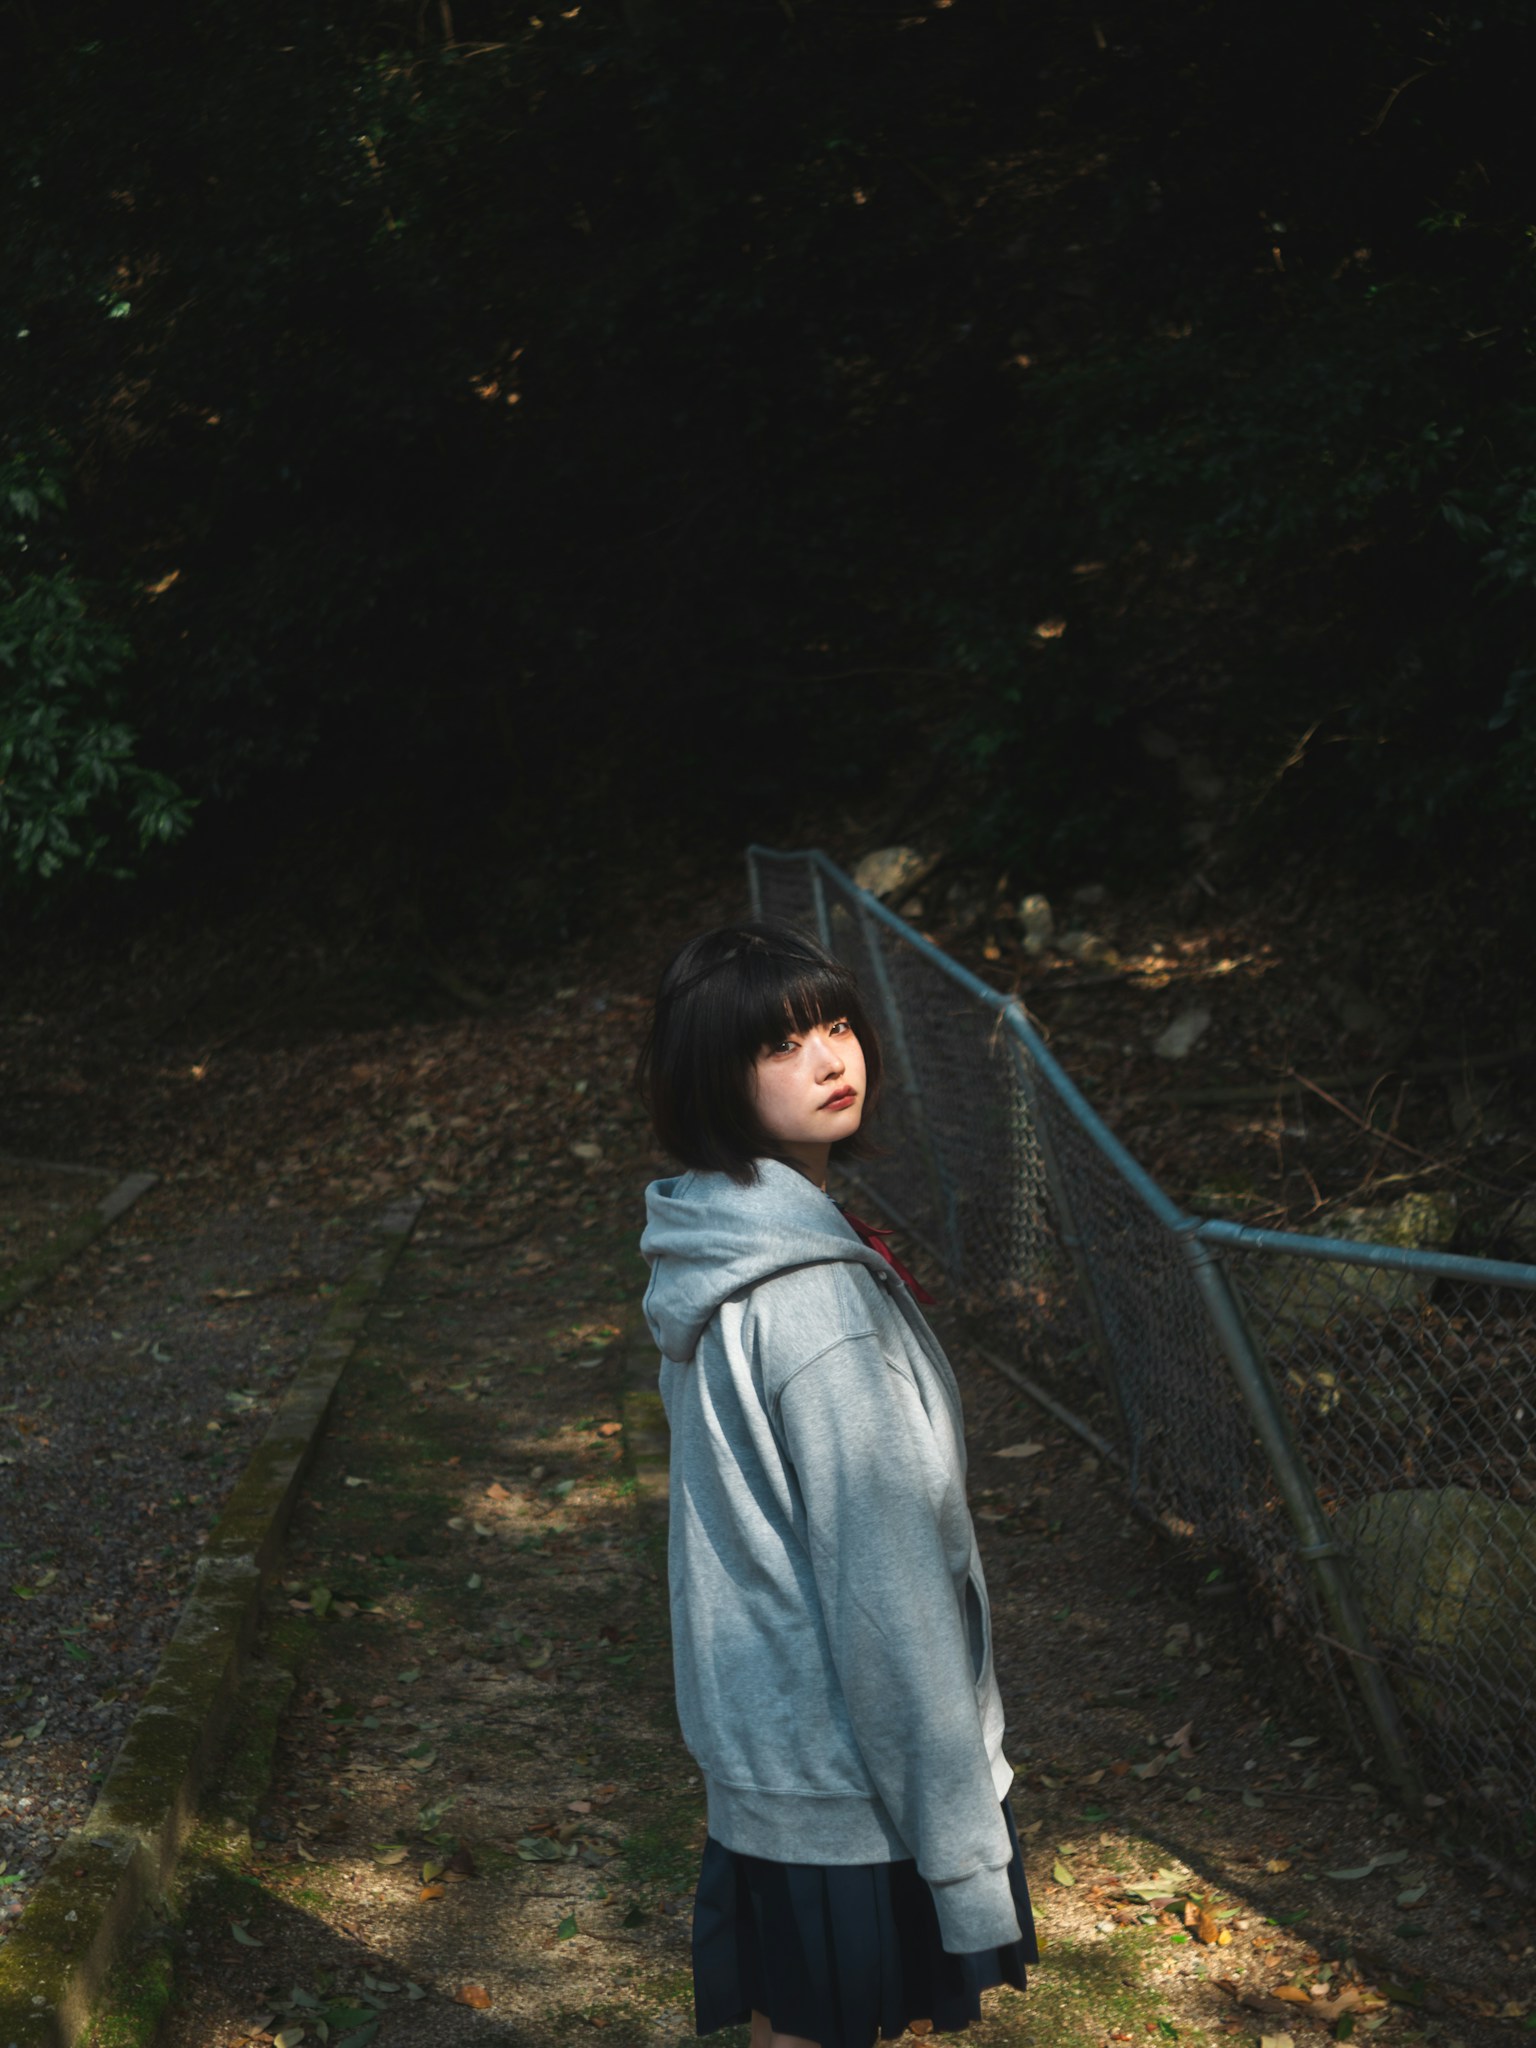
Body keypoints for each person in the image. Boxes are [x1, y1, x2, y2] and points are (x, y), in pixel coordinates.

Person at [636, 918, 1037, 2048]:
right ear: (713, 1078)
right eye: (785, 1043)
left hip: (778, 1754)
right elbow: (888, 1593)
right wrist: (964, 1848)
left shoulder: (717, 1248)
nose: (832, 1057)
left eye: (837, 1022)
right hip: (852, 1773)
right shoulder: (811, 1302)